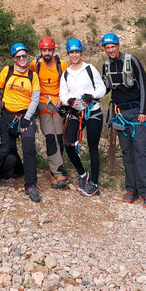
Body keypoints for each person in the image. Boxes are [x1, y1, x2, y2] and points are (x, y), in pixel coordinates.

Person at [101, 33, 146, 209]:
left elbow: (144, 86)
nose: (110, 50)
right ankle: (131, 189)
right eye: (107, 47)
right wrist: (89, 96)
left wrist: (143, 111)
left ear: (118, 45)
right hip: (119, 114)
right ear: (104, 49)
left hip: (136, 113)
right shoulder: (106, 65)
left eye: (113, 46)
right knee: (127, 152)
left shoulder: (131, 61)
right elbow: (106, 88)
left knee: (140, 151)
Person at [0, 43, 42, 202]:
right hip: (7, 115)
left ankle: (30, 184)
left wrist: (27, 119)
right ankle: (18, 170)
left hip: (25, 115)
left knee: (29, 148)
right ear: (14, 59)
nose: (22, 59)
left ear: (27, 56)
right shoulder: (7, 71)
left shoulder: (33, 75)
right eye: (18, 56)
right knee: (9, 149)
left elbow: (35, 99)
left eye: (24, 55)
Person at [59, 38, 106, 197]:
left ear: (81, 52)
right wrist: (69, 101)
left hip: (92, 111)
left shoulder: (89, 69)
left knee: (93, 147)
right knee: (68, 143)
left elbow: (102, 87)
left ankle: (94, 184)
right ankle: (82, 174)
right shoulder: (65, 74)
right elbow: (63, 95)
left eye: (77, 52)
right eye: (71, 52)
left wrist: (91, 95)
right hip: (75, 112)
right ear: (68, 54)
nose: (74, 55)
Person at [29, 37, 69, 189]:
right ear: (40, 51)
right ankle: (57, 172)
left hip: (58, 103)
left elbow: (67, 83)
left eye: (49, 50)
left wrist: (62, 98)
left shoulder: (62, 64)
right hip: (43, 104)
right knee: (50, 136)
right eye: (44, 50)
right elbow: (30, 81)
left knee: (59, 137)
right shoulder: (35, 65)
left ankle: (55, 171)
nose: (46, 53)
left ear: (53, 51)